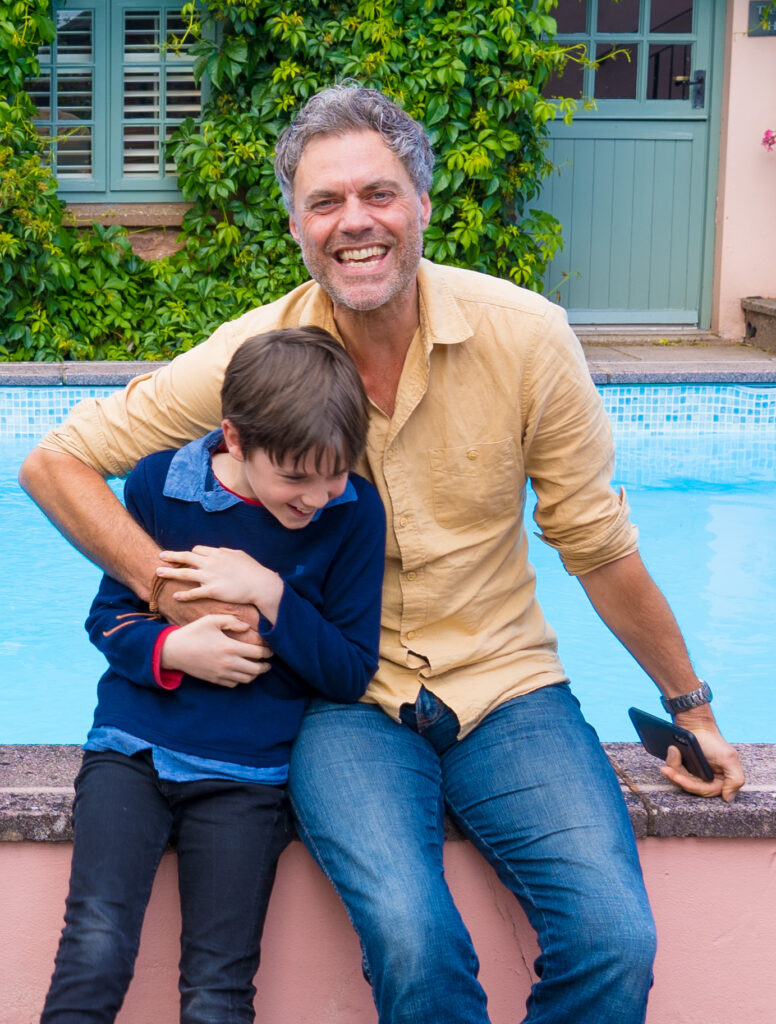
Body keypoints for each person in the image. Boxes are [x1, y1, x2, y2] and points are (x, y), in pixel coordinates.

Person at [22, 84, 745, 1024]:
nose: (354, 222)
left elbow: (596, 545)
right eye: (324, 202)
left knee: (615, 939)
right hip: (344, 704)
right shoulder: (259, 357)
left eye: (378, 193)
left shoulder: (527, 338)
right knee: (413, 944)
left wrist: (693, 708)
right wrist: (172, 596)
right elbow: (55, 462)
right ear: (296, 226)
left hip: (507, 686)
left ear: (423, 205)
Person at [38, 326, 386, 1024]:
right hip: (130, 755)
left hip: (247, 780)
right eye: (295, 477)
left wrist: (271, 592)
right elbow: (107, 619)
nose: (317, 496)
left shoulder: (354, 513)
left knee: (217, 989)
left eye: (335, 473)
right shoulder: (159, 486)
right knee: (95, 950)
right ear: (234, 438)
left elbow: (349, 670)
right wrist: (173, 650)